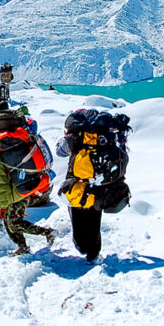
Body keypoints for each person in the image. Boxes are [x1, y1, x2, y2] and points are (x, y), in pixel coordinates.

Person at [55, 110, 131, 263]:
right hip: (102, 186)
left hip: (78, 186)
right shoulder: (108, 136)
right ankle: (93, 252)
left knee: (79, 218)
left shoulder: (76, 137)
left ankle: (84, 247)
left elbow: (59, 151)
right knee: (94, 217)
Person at [0, 140, 53, 256]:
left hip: (16, 196)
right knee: (9, 222)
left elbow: (1, 186)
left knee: (14, 223)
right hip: (15, 195)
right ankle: (22, 247)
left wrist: (3, 207)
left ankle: (47, 232)